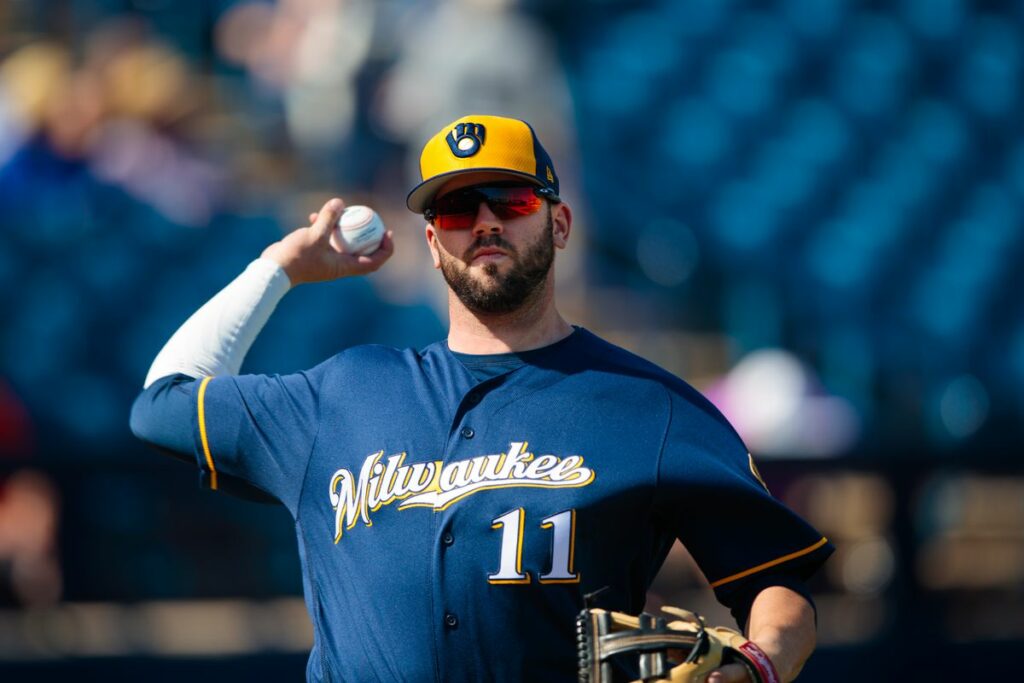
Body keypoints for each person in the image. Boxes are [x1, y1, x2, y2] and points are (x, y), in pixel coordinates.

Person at [131, 114, 833, 682]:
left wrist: (759, 663)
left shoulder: (650, 406)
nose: (485, 222)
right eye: (460, 206)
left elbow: (777, 584)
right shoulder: (339, 394)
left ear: (558, 224)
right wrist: (278, 268)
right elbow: (161, 401)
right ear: (433, 244)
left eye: (513, 199)